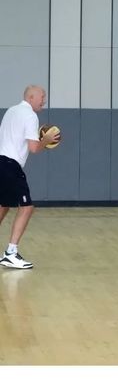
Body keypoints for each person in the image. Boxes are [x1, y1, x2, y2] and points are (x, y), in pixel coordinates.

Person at [0, 85, 60, 269]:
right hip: (11, 165)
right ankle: (11, 253)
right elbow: (34, 148)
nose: (44, 100)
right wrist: (46, 140)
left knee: (3, 205)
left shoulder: (11, 110)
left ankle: (10, 253)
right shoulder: (30, 115)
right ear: (31, 97)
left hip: (1, 161)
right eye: (42, 97)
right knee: (27, 207)